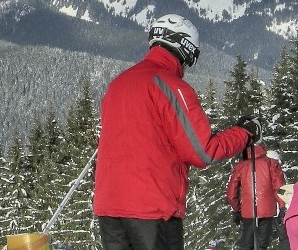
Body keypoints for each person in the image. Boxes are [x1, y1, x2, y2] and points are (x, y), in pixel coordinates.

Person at [93, 14, 257, 250]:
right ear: (186, 48)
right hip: (152, 206)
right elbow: (203, 151)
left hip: (109, 206)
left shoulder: (117, 84)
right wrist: (244, 134)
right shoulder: (170, 85)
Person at [227, 143, 286, 250]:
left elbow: (232, 192)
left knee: (246, 244)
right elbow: (279, 188)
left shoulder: (241, 166)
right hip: (267, 209)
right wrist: (282, 206)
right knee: (262, 244)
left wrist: (236, 209)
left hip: (248, 210)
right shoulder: (271, 163)